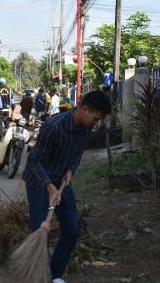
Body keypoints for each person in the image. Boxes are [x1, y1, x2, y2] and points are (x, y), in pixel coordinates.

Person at [22, 90, 112, 283]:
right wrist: (49, 187)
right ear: (85, 108)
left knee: (72, 229)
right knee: (40, 230)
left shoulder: (86, 128)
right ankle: (39, 276)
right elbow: (33, 162)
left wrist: (71, 169)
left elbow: (77, 153)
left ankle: (55, 274)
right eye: (95, 118)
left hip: (61, 181)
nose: (95, 123)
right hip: (39, 180)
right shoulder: (53, 127)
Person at [0, 77, 14, 145]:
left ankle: (0, 139)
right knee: (7, 124)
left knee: (0, 125)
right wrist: (12, 110)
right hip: (7, 110)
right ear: (5, 83)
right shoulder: (9, 90)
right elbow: (12, 101)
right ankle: (8, 139)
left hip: (0, 110)